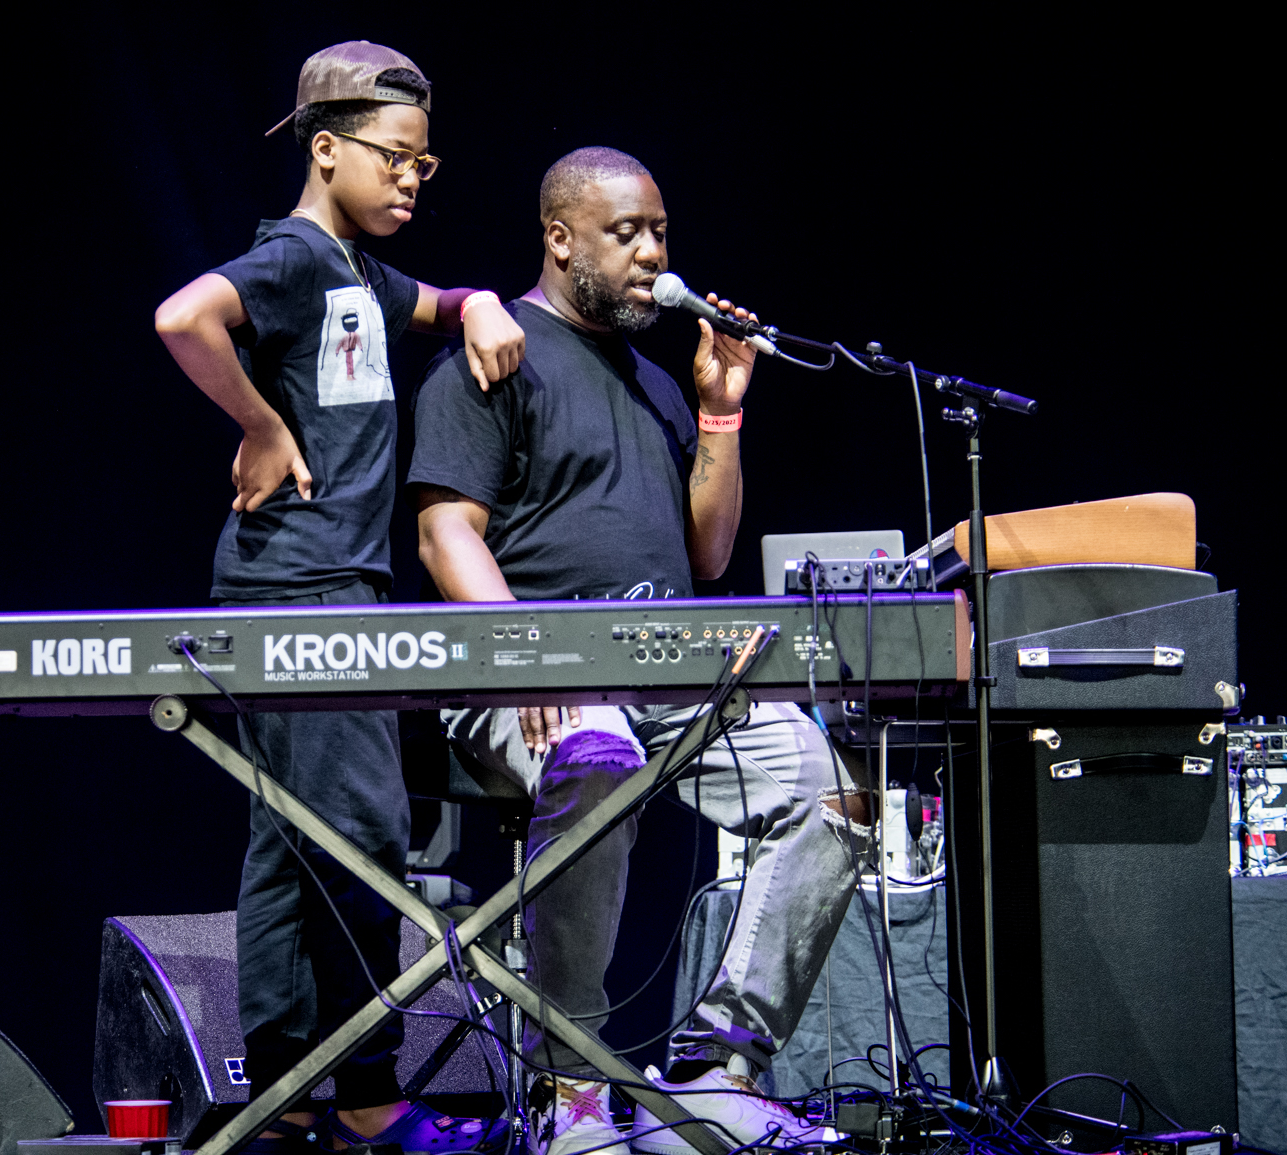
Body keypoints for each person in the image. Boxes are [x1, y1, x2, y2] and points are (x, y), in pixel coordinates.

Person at [407, 147, 872, 1155]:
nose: (652, 254)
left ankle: (716, 1070)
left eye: (659, 233)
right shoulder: (494, 359)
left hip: (667, 678)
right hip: (529, 679)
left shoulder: (657, 382)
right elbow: (446, 531)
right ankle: (568, 1093)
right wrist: (531, 655)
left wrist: (720, 412)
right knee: (597, 748)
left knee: (832, 795)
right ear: (560, 237)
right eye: (626, 234)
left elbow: (705, 552)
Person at [154, 42, 525, 1155]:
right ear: (327, 150)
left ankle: (287, 1092)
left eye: (425, 162)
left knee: (288, 843)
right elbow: (183, 318)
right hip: (301, 584)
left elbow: (439, 301)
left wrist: (479, 304)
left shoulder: (358, 277)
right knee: (361, 833)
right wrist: (259, 424)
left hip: (325, 583)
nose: (413, 178)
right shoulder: (293, 262)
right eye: (394, 157)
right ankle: (365, 1093)